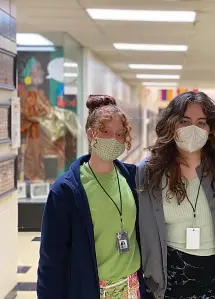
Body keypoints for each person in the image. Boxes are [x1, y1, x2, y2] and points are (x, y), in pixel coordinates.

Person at [136, 91, 215, 299]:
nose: (193, 129)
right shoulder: (150, 170)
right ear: (171, 124)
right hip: (169, 275)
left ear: (211, 128)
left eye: (201, 122)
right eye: (184, 121)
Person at [37, 95, 144, 299]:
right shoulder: (67, 191)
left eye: (120, 134)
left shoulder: (131, 178)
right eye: (106, 132)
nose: (114, 140)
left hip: (133, 287)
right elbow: (51, 259)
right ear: (90, 134)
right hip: (90, 290)